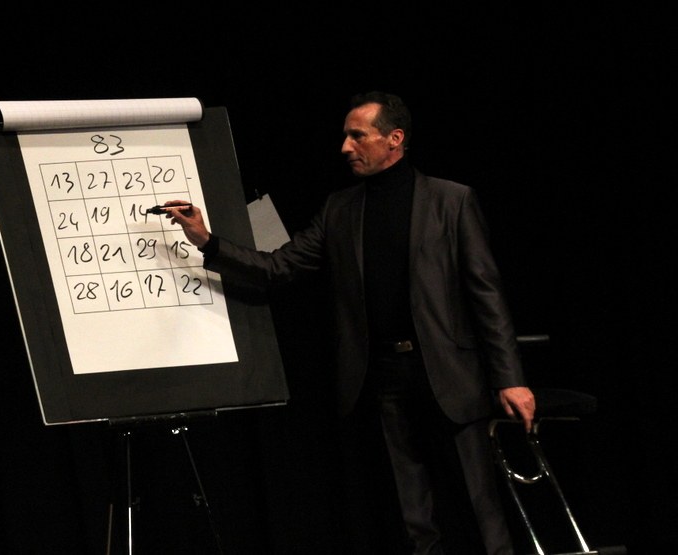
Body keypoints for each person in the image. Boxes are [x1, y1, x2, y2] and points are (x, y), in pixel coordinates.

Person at [162, 91, 535, 554]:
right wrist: (207, 241)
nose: (345, 147)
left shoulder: (451, 200)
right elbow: (279, 267)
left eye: (358, 136)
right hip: (383, 377)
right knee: (413, 516)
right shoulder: (340, 209)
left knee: (480, 507)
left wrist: (510, 378)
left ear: (394, 139)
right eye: (345, 136)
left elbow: (487, 295)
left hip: (449, 372)